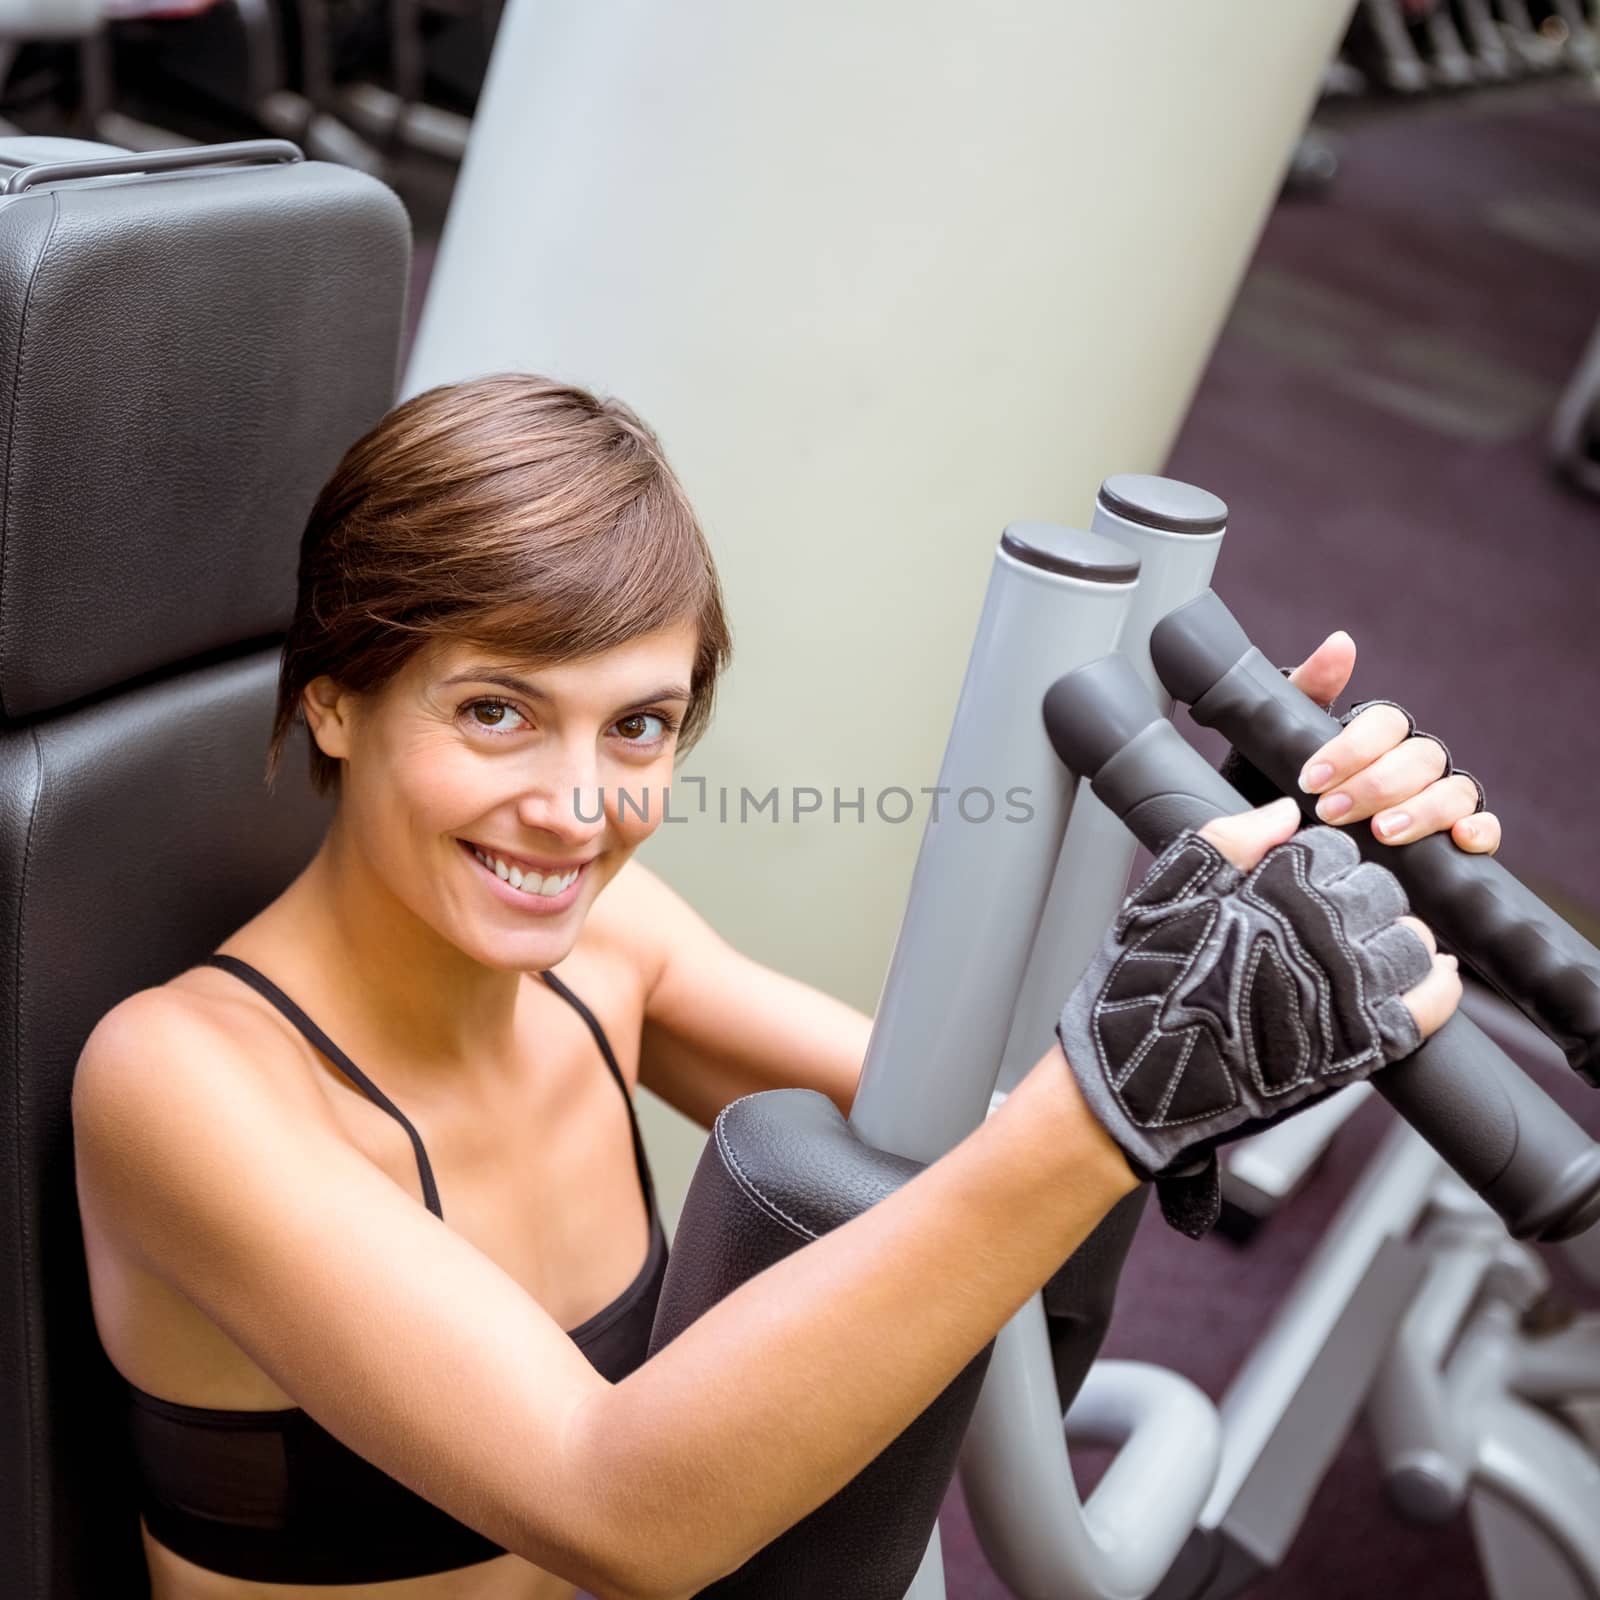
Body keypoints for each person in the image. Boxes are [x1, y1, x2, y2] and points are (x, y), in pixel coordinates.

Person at [70, 372, 1492, 1600]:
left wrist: (1273, 856)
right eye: (495, 710)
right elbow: (612, 1508)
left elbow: (980, 1161)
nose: (577, 806)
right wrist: (1111, 1099)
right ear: (334, 695)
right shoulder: (180, 1085)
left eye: (639, 728)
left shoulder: (609, 957)